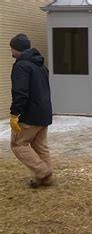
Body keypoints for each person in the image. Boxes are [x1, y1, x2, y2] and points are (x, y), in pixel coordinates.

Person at [9, 33, 53, 188]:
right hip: (44, 112)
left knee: (18, 145)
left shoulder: (21, 66)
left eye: (12, 49)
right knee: (39, 146)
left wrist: (15, 114)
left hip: (30, 115)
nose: (11, 53)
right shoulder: (41, 65)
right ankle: (46, 179)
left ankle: (43, 171)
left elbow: (20, 93)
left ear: (17, 49)